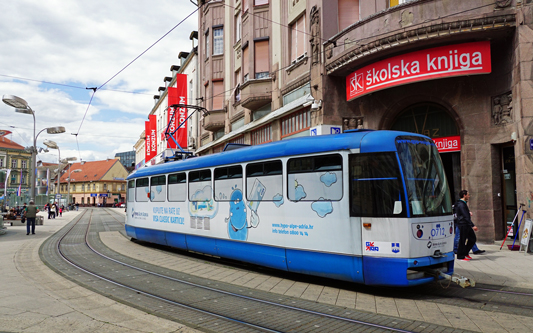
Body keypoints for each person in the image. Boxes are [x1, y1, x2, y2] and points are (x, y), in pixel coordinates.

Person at [455, 190, 479, 261]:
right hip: (463, 224)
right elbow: (465, 216)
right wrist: (473, 225)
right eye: (468, 195)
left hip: (466, 224)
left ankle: (465, 252)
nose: (469, 196)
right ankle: (460, 256)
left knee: (472, 238)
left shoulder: (463, 203)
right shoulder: (461, 204)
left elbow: (464, 213)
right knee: (462, 240)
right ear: (464, 195)